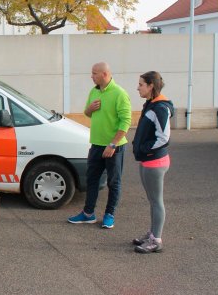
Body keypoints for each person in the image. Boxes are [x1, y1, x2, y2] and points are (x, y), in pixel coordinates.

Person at [68, 62, 131, 229]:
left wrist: (112, 144)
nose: (91, 76)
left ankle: (109, 215)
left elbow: (126, 122)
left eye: (94, 73)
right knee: (92, 180)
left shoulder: (119, 94)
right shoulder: (94, 91)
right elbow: (87, 113)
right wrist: (90, 108)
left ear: (104, 74)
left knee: (113, 182)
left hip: (113, 148)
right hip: (96, 144)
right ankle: (88, 214)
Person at [132, 71, 173, 254]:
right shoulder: (151, 104)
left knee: (156, 202)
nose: (138, 87)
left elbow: (163, 137)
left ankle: (156, 240)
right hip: (147, 161)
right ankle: (152, 233)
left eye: (141, 84)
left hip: (155, 162)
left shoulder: (160, 108)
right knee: (152, 200)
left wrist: (144, 149)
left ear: (151, 86)